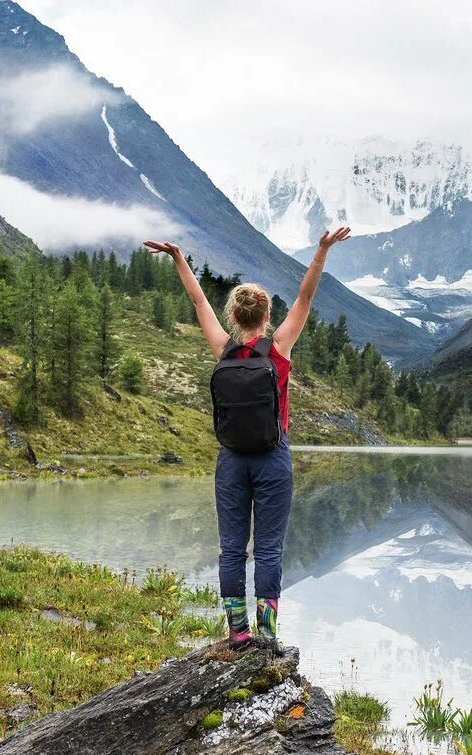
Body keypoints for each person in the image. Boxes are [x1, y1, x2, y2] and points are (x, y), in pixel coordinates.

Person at [143, 228, 351, 652]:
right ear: (267, 315)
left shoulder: (223, 349)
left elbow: (199, 302)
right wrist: (321, 251)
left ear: (234, 317)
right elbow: (306, 299)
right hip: (274, 457)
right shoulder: (278, 349)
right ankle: (268, 634)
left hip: (232, 460)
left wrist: (179, 258)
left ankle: (237, 633)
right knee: (270, 547)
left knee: (232, 548)